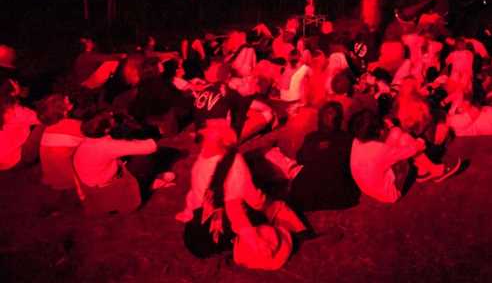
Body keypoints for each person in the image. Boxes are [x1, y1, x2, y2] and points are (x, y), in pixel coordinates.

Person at [178, 118, 306, 270]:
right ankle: (289, 168)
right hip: (202, 226)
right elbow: (258, 200)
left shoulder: (203, 164)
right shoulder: (237, 170)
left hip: (201, 225)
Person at [72, 110, 159, 213]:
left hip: (89, 182)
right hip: (106, 185)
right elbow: (151, 147)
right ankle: (137, 202)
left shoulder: (86, 140)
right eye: (111, 119)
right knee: (144, 165)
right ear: (106, 130)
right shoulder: (107, 146)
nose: (112, 117)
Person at [287, 102, 360, 211]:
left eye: (330, 113)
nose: (326, 116)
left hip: (314, 197)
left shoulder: (312, 138)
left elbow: (300, 159)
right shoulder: (348, 138)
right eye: (326, 113)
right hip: (342, 197)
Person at [37, 94, 84, 189]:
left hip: (51, 177)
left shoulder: (47, 127)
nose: (69, 101)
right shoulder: (75, 126)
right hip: (68, 181)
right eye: (66, 102)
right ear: (62, 110)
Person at [0, 79, 41, 170]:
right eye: (16, 83)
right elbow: (42, 119)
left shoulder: (7, 107)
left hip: (2, 157)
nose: (18, 83)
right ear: (13, 92)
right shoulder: (17, 112)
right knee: (43, 126)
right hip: (9, 160)